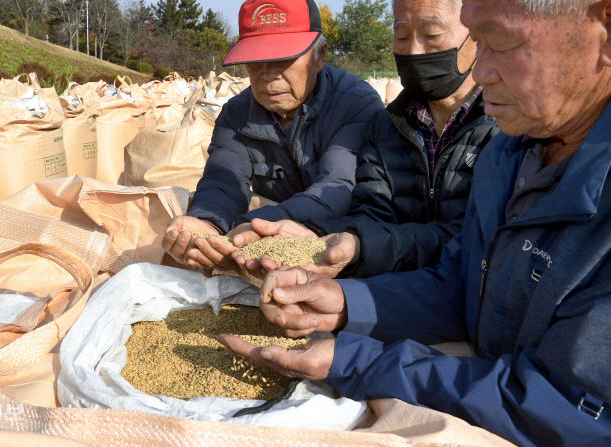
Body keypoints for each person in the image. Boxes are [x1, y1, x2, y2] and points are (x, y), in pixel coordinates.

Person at [219, 0, 611, 445]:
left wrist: (357, 361)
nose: (480, 72)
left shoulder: (505, 142)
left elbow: (568, 406)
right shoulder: (509, 158)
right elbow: (464, 286)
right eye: (479, 43)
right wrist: (345, 301)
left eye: (501, 42)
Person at [234, 0, 499, 280]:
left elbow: (477, 239)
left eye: (431, 35)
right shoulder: (388, 126)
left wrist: (359, 245)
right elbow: (372, 215)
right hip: (405, 294)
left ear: (478, 35)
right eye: (401, 36)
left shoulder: (506, 127)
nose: (413, 50)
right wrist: (317, 236)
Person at [162, 0, 384, 272]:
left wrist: (257, 224)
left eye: (285, 59)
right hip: (275, 246)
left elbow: (338, 184)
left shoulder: (354, 104)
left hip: (346, 245)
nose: (269, 75)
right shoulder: (237, 115)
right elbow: (223, 180)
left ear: (320, 56)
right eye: (256, 61)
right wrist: (207, 222)